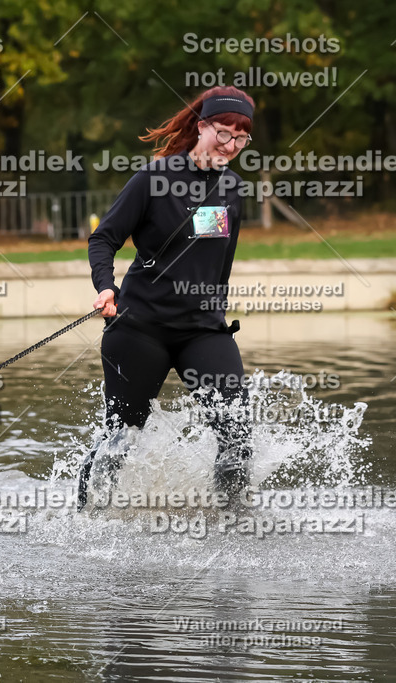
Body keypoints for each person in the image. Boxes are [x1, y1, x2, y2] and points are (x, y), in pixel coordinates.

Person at [81, 85, 256, 506]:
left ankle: (230, 528)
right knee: (121, 436)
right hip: (141, 328)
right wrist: (106, 286)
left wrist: (215, 313)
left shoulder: (232, 188)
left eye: (241, 137)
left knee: (238, 434)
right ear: (202, 127)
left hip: (202, 331)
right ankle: (84, 520)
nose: (231, 144)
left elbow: (219, 265)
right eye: (224, 133)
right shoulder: (152, 179)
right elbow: (103, 239)